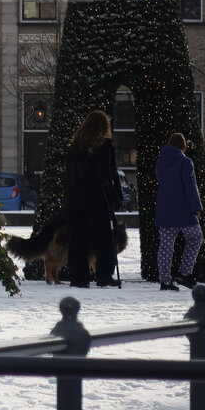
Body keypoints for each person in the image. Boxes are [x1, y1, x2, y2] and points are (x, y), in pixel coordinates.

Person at [63, 109, 122, 288]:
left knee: (77, 240)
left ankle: (78, 277)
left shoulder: (74, 147)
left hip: (75, 201)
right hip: (97, 200)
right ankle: (104, 275)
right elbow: (106, 174)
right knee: (105, 238)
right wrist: (114, 197)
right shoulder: (102, 146)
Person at [155, 131, 204, 291]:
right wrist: (197, 207)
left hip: (165, 208)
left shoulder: (161, 162)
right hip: (183, 208)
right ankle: (184, 273)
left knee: (166, 245)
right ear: (183, 146)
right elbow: (190, 185)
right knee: (196, 237)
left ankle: (165, 281)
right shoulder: (185, 162)